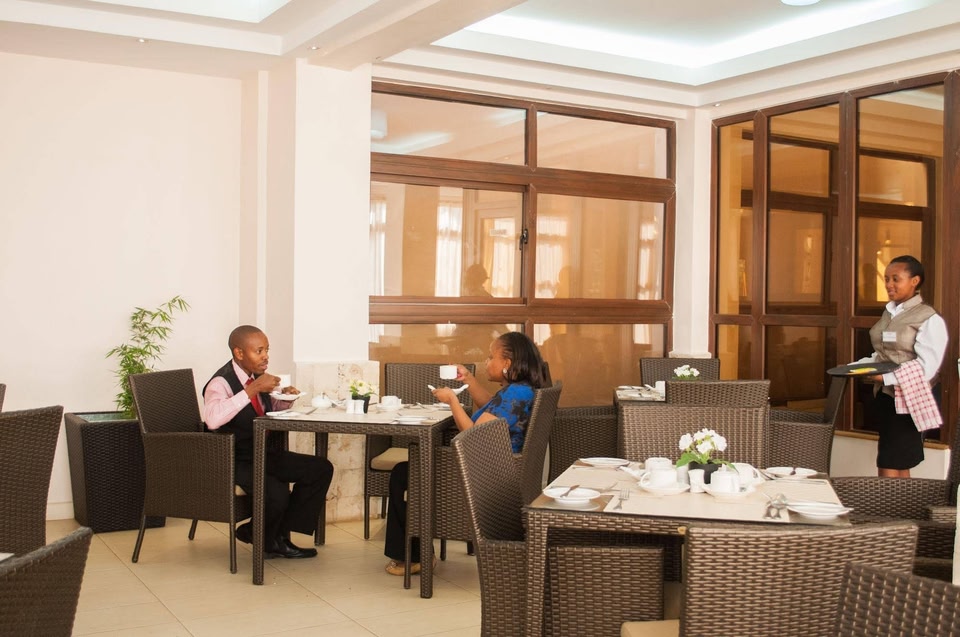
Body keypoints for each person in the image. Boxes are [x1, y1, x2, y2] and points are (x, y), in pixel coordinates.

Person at [382, 331, 548, 575]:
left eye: (491, 357)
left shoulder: (515, 393)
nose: (486, 362)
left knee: (404, 473)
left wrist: (452, 401)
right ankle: (415, 552)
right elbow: (491, 408)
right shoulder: (520, 390)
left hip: (483, 473)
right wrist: (469, 380)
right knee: (408, 471)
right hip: (499, 468)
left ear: (507, 363)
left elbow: (472, 434)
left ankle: (415, 557)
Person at [202, 325, 334, 558]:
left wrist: (285, 400)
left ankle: (265, 533)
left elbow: (263, 409)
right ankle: (271, 539)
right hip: (233, 459)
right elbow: (212, 420)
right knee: (276, 492)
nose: (266, 356)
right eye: (259, 351)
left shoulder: (255, 377)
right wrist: (252, 390)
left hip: (262, 452)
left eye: (267, 350)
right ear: (239, 353)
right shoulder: (220, 383)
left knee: (320, 468)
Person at [855, 256, 947, 478]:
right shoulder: (889, 312)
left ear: (915, 281)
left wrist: (885, 378)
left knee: (890, 460)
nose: (889, 284)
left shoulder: (929, 318)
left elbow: (927, 368)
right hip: (886, 397)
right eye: (887, 279)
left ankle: (888, 500)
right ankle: (902, 500)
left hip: (911, 398)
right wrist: (856, 367)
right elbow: (882, 353)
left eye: (896, 279)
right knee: (896, 458)